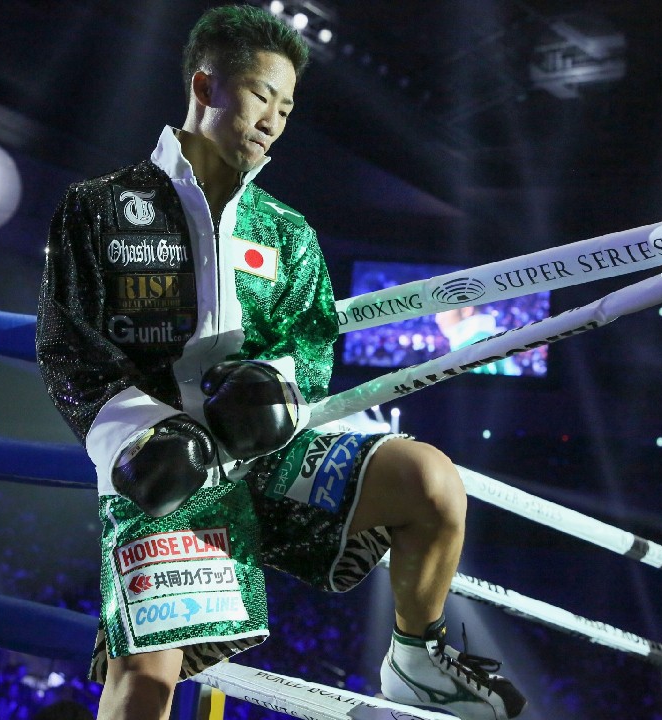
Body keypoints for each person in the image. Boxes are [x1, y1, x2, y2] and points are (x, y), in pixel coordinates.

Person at [35, 5, 526, 720]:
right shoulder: (98, 209)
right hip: (160, 470)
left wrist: (276, 389)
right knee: (144, 684)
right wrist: (133, 435)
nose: (273, 121)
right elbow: (68, 348)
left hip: (266, 451)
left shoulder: (287, 231)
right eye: (262, 96)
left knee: (430, 480)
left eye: (287, 109)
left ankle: (417, 658)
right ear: (205, 87)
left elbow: (312, 342)